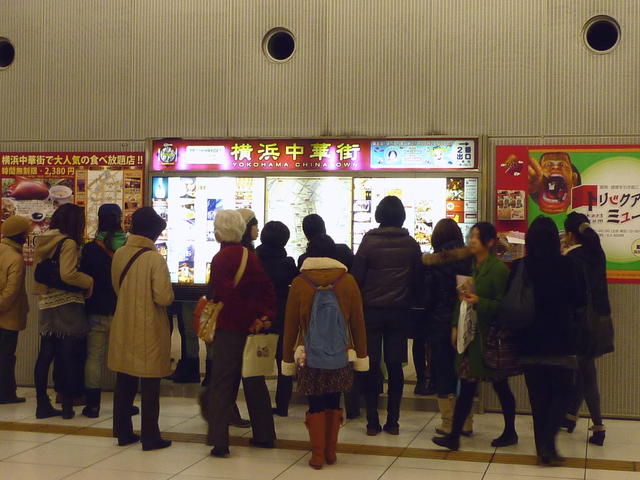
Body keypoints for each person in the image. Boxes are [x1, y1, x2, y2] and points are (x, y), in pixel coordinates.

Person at [282, 234, 369, 469]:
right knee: (334, 400)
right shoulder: (347, 281)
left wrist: (287, 359)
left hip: (308, 354)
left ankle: (317, 455)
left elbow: (290, 324)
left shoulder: (300, 282)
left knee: (315, 403)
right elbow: (358, 322)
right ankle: (331, 452)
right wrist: (361, 355)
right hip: (340, 352)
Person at [432, 222, 518, 450]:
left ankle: (510, 430)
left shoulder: (498, 270)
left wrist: (481, 302)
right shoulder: (471, 265)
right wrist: (455, 325)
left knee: (500, 386)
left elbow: (503, 306)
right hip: (471, 336)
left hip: (489, 338)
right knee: (467, 384)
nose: (471, 240)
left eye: (476, 237)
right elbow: (460, 298)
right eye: (471, 236)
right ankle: (454, 436)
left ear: (489, 242)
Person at [200, 210, 276, 458]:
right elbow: (266, 290)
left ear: (219, 232)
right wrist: (261, 317)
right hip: (251, 329)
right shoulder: (249, 256)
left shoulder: (220, 258)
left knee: (222, 383)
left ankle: (220, 441)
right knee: (254, 380)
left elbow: (225, 295)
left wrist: (243, 317)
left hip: (228, 328)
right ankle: (265, 435)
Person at [516, 216, 586, 465]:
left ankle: (543, 450)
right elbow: (580, 300)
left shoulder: (522, 266)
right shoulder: (568, 265)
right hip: (560, 340)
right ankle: (548, 444)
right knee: (564, 392)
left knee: (539, 400)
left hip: (528, 341)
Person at [351, 196, 422, 436]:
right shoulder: (411, 244)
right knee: (395, 365)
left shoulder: (368, 242)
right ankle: (393, 421)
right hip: (399, 312)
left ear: (379, 214)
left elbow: (356, 277)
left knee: (371, 364)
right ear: (401, 216)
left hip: (370, 311)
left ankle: (372, 421)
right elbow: (417, 280)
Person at [108, 207, 174, 451]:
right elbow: (164, 297)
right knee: (150, 383)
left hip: (123, 321)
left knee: (124, 378)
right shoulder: (154, 259)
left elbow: (117, 287)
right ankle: (150, 435)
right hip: (149, 326)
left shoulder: (120, 253)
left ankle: (122, 431)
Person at [33, 203, 94, 419]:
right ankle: (67, 406)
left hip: (47, 302)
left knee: (45, 354)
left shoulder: (43, 240)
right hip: (67, 303)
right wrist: (88, 281)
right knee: (68, 355)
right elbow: (67, 274)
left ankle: (42, 403)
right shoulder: (68, 242)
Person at [79, 204, 137, 418]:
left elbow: (84, 278)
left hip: (96, 308)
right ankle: (125, 404)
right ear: (120, 219)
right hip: (123, 309)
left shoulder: (90, 248)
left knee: (94, 357)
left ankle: (93, 406)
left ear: (99, 220)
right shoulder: (129, 248)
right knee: (124, 357)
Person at [562, 212, 612, 446]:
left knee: (587, 372)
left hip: (582, 321)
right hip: (601, 319)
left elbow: (570, 294)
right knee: (585, 366)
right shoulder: (597, 253)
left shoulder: (573, 258)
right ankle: (571, 416)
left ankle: (599, 427)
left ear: (570, 235)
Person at [422, 218, 472, 435]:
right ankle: (467, 422)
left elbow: (428, 297)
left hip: (439, 322)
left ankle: (449, 422)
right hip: (465, 321)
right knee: (465, 371)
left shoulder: (432, 263)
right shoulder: (469, 260)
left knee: (443, 371)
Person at [256, 221, 298, 417]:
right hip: (282, 317)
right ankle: (282, 405)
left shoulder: (255, 260)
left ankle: (260, 404)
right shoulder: (287, 263)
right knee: (284, 363)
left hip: (259, 317)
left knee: (257, 363)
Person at [0, 216, 31, 404]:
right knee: (6, 357)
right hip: (8, 316)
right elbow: (11, 291)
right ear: (19, 235)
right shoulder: (15, 258)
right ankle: (6, 393)